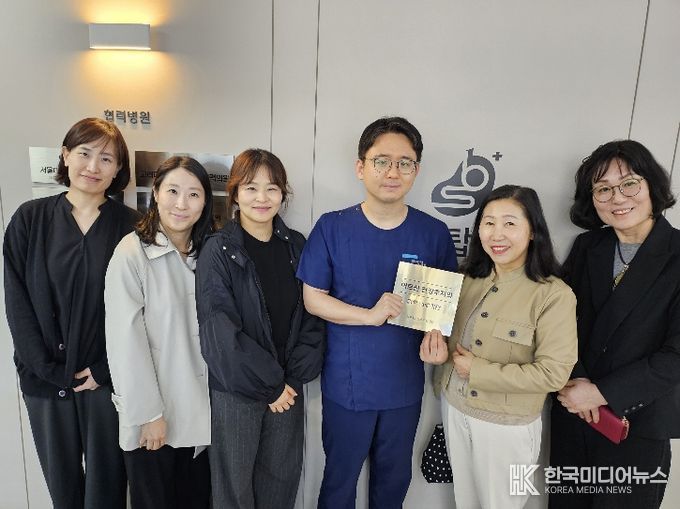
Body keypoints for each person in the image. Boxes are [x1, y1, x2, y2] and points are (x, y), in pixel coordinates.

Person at [297, 116, 458, 509]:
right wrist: (369, 315)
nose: (392, 172)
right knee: (339, 482)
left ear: (416, 170)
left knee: (393, 482)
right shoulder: (332, 228)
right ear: (361, 167)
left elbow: (441, 311)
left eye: (404, 163)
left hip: (404, 385)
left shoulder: (433, 233)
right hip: (348, 383)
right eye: (381, 161)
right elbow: (313, 298)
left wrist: (438, 342)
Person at [3, 117, 138, 509]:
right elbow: (17, 302)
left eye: (106, 159)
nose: (93, 167)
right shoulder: (30, 219)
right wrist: (45, 367)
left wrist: (104, 370)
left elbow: (142, 311)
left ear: (118, 168)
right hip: (44, 379)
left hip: (106, 381)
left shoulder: (132, 227)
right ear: (65, 156)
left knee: (107, 488)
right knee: (63, 489)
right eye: (84, 153)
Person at [551, 140, 680, 508]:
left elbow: (676, 356)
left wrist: (602, 393)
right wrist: (576, 384)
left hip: (635, 425)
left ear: (652, 186)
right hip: (573, 412)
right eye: (603, 189)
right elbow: (558, 324)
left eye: (629, 183)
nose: (617, 197)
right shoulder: (587, 247)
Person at [431, 184, 577, 509]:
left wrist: (478, 370)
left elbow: (553, 374)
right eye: (488, 222)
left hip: (509, 428)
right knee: (464, 502)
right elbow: (448, 342)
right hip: (455, 411)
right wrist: (439, 353)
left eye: (510, 223)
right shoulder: (467, 278)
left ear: (533, 231)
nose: (497, 234)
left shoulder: (554, 295)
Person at [196, 148, 325, 509]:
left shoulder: (296, 245)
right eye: (251, 188)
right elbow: (219, 330)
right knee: (233, 490)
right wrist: (271, 385)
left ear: (283, 193)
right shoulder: (218, 249)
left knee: (280, 484)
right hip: (237, 390)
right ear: (235, 194)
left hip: (288, 387)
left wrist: (293, 377)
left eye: (272, 188)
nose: (262, 198)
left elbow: (313, 315)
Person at [105, 156, 214, 509]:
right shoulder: (131, 253)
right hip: (154, 421)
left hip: (199, 417)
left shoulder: (208, 253)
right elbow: (125, 343)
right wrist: (149, 415)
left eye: (194, 194)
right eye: (172, 191)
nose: (182, 204)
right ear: (155, 192)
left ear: (205, 201)